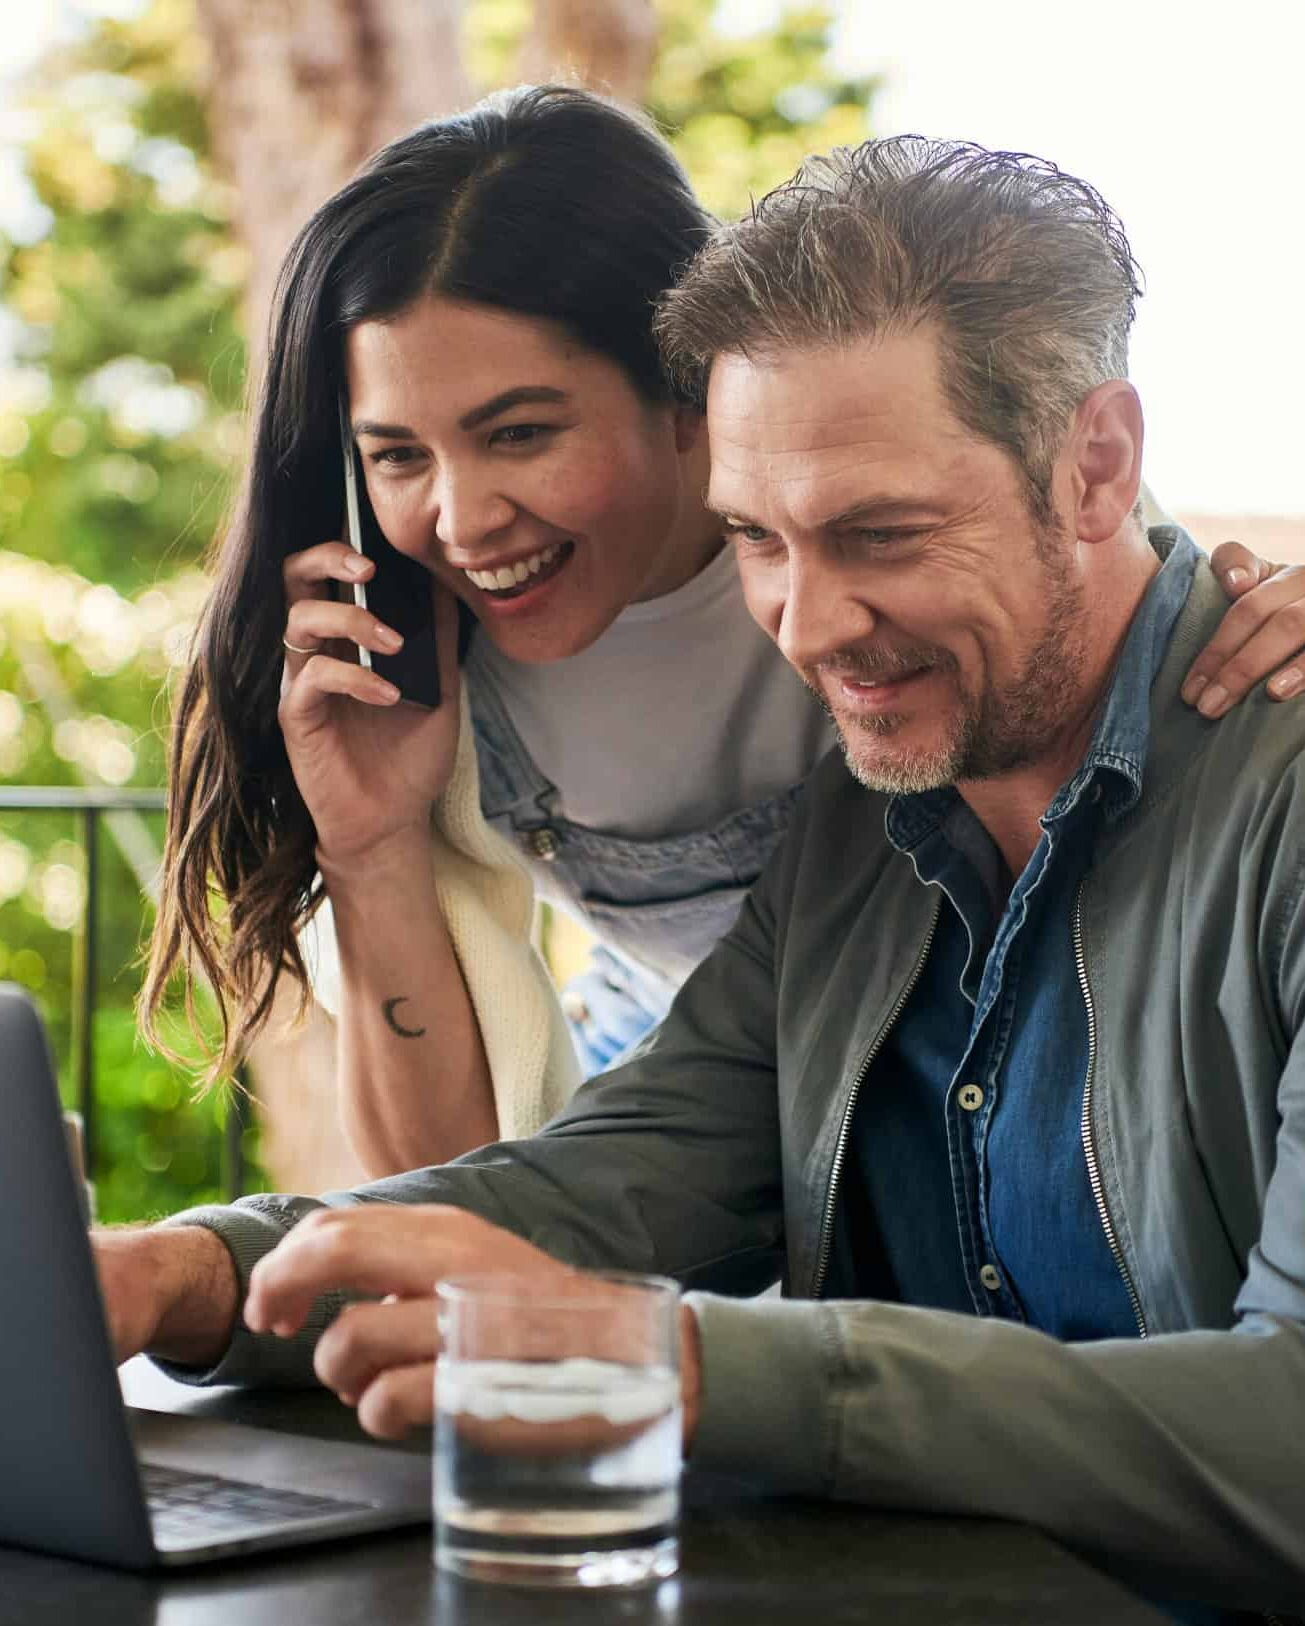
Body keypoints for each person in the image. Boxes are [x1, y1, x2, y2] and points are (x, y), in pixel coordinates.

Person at [98, 137, 1305, 1616]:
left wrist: (673, 1358)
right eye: (754, 540)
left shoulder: (1274, 797)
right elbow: (609, 1182)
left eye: (879, 533)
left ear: (1096, 464)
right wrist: (193, 1276)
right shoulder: (860, 826)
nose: (809, 625)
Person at [137, 86, 1305, 1179]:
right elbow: (440, 1185)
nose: (459, 519)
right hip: (681, 1081)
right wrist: (373, 845)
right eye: (398, 455)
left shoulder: (860, 501)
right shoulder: (419, 677)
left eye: (522, 434)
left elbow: (1127, 589)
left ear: (687, 393)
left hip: (991, 1061)